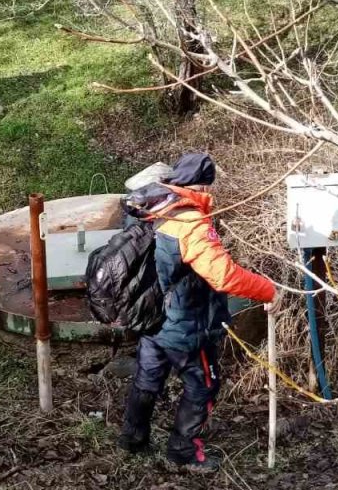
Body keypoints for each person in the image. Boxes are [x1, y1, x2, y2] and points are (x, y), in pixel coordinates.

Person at [118, 152, 282, 473]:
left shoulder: (148, 208)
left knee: (147, 379)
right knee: (202, 386)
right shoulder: (190, 223)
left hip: (151, 319)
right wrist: (268, 290)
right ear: (204, 187)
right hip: (186, 328)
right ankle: (183, 451)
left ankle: (133, 438)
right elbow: (224, 275)